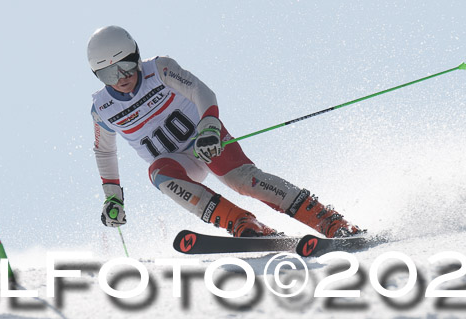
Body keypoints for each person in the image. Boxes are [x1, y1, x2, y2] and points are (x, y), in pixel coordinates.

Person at [88, 26, 360, 239]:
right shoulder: (103, 109)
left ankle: (327, 220)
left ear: (137, 57)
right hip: (178, 164)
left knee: (242, 180)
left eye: (126, 65)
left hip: (205, 140)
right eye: (109, 74)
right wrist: (113, 196)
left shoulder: (159, 70)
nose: (121, 77)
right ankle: (243, 223)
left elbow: (200, 91)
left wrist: (209, 125)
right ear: (98, 76)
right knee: (158, 173)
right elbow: (104, 150)